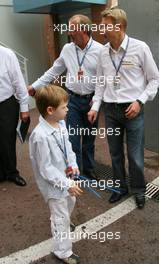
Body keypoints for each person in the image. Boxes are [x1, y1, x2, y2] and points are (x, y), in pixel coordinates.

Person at [88, 7, 159, 209]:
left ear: (118, 26)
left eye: (105, 26)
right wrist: (95, 106)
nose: (101, 30)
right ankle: (120, 188)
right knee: (115, 153)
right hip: (110, 111)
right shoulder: (103, 52)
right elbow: (100, 83)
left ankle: (139, 190)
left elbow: (155, 80)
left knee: (135, 156)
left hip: (133, 110)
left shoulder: (140, 48)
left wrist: (140, 101)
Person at [28, 14, 103, 179]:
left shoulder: (100, 50)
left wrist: (96, 104)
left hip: (91, 100)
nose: (69, 32)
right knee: (73, 138)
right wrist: (35, 86)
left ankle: (89, 169)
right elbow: (54, 70)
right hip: (72, 101)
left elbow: (102, 81)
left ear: (83, 30)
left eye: (72, 29)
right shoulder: (68, 49)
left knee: (89, 139)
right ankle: (74, 172)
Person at [29, 85, 82, 264]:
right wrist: (67, 184)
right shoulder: (40, 136)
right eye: (64, 107)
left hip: (66, 177)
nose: (67, 109)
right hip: (53, 184)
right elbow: (46, 169)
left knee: (70, 201)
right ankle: (63, 251)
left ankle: (61, 221)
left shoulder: (61, 124)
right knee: (60, 216)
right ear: (50, 110)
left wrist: (73, 165)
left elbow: (68, 148)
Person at [0, 45, 29, 186]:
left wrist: (24, 107)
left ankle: (12, 172)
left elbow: (18, 81)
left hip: (6, 103)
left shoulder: (7, 54)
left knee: (7, 138)